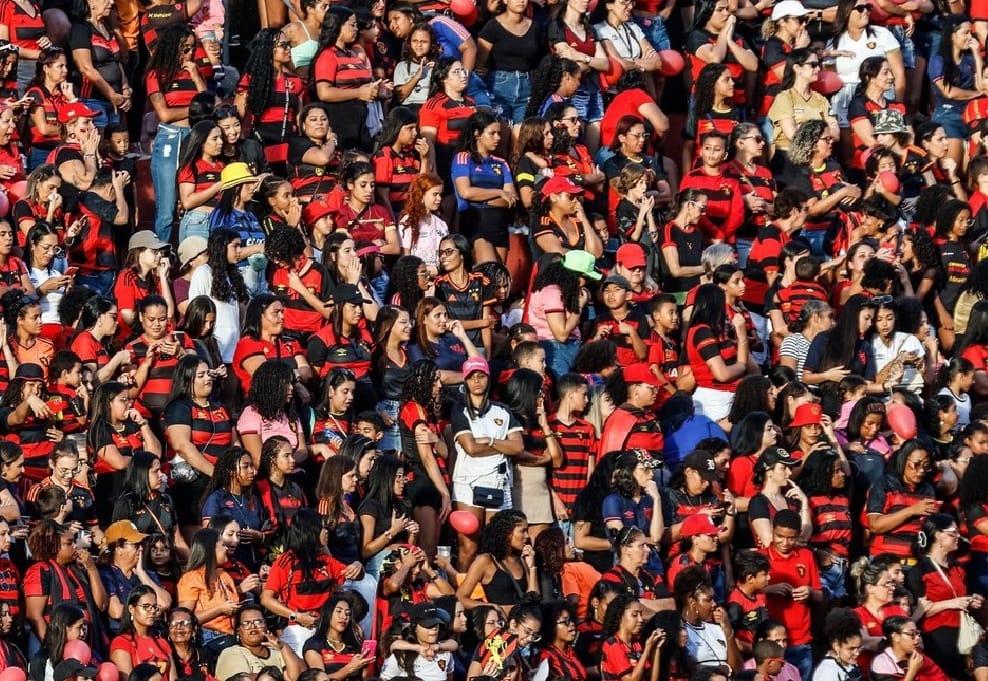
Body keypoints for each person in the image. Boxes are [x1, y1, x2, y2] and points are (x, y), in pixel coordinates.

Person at [259, 508, 357, 655]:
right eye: (322, 527)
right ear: (311, 531)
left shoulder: (325, 560)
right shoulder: (286, 561)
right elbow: (266, 599)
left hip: (325, 630)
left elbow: (354, 575)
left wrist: (358, 566)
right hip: (298, 630)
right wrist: (296, 616)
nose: (326, 531)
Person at [456, 509, 538, 611]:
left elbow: (534, 599)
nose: (527, 536)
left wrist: (532, 567)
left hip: (522, 624)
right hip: (499, 623)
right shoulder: (486, 560)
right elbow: (460, 597)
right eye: (522, 531)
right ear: (507, 533)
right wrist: (492, 607)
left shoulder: (522, 560)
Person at [214, 603, 304, 681]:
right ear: (238, 630)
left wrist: (283, 646)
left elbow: (300, 676)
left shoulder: (278, 652)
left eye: (258, 622)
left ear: (266, 626)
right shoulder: (231, 653)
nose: (253, 626)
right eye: (246, 623)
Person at [109, 586, 175, 681]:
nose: (152, 611)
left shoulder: (162, 643)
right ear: (132, 609)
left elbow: (173, 678)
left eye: (154, 607)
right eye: (146, 607)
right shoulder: (122, 642)